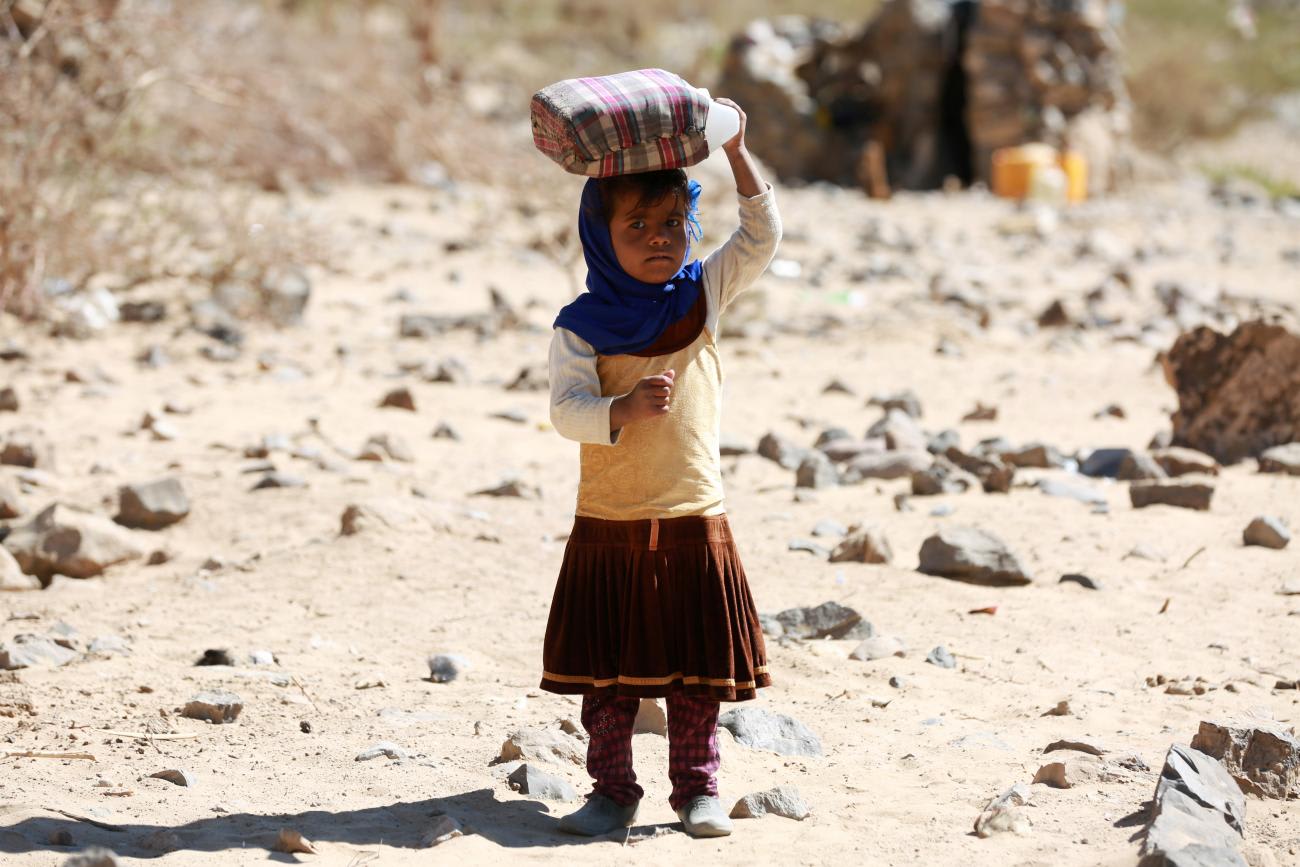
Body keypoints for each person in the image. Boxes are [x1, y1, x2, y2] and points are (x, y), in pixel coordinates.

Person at [541, 98, 781, 839]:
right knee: (608, 679)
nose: (658, 240)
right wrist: (621, 408)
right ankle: (611, 790)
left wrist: (736, 152)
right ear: (600, 235)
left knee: (697, 674)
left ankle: (698, 790)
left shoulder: (702, 295)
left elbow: (763, 235)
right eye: (637, 226)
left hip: (691, 512)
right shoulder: (581, 324)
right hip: (610, 518)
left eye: (673, 224)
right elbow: (564, 409)